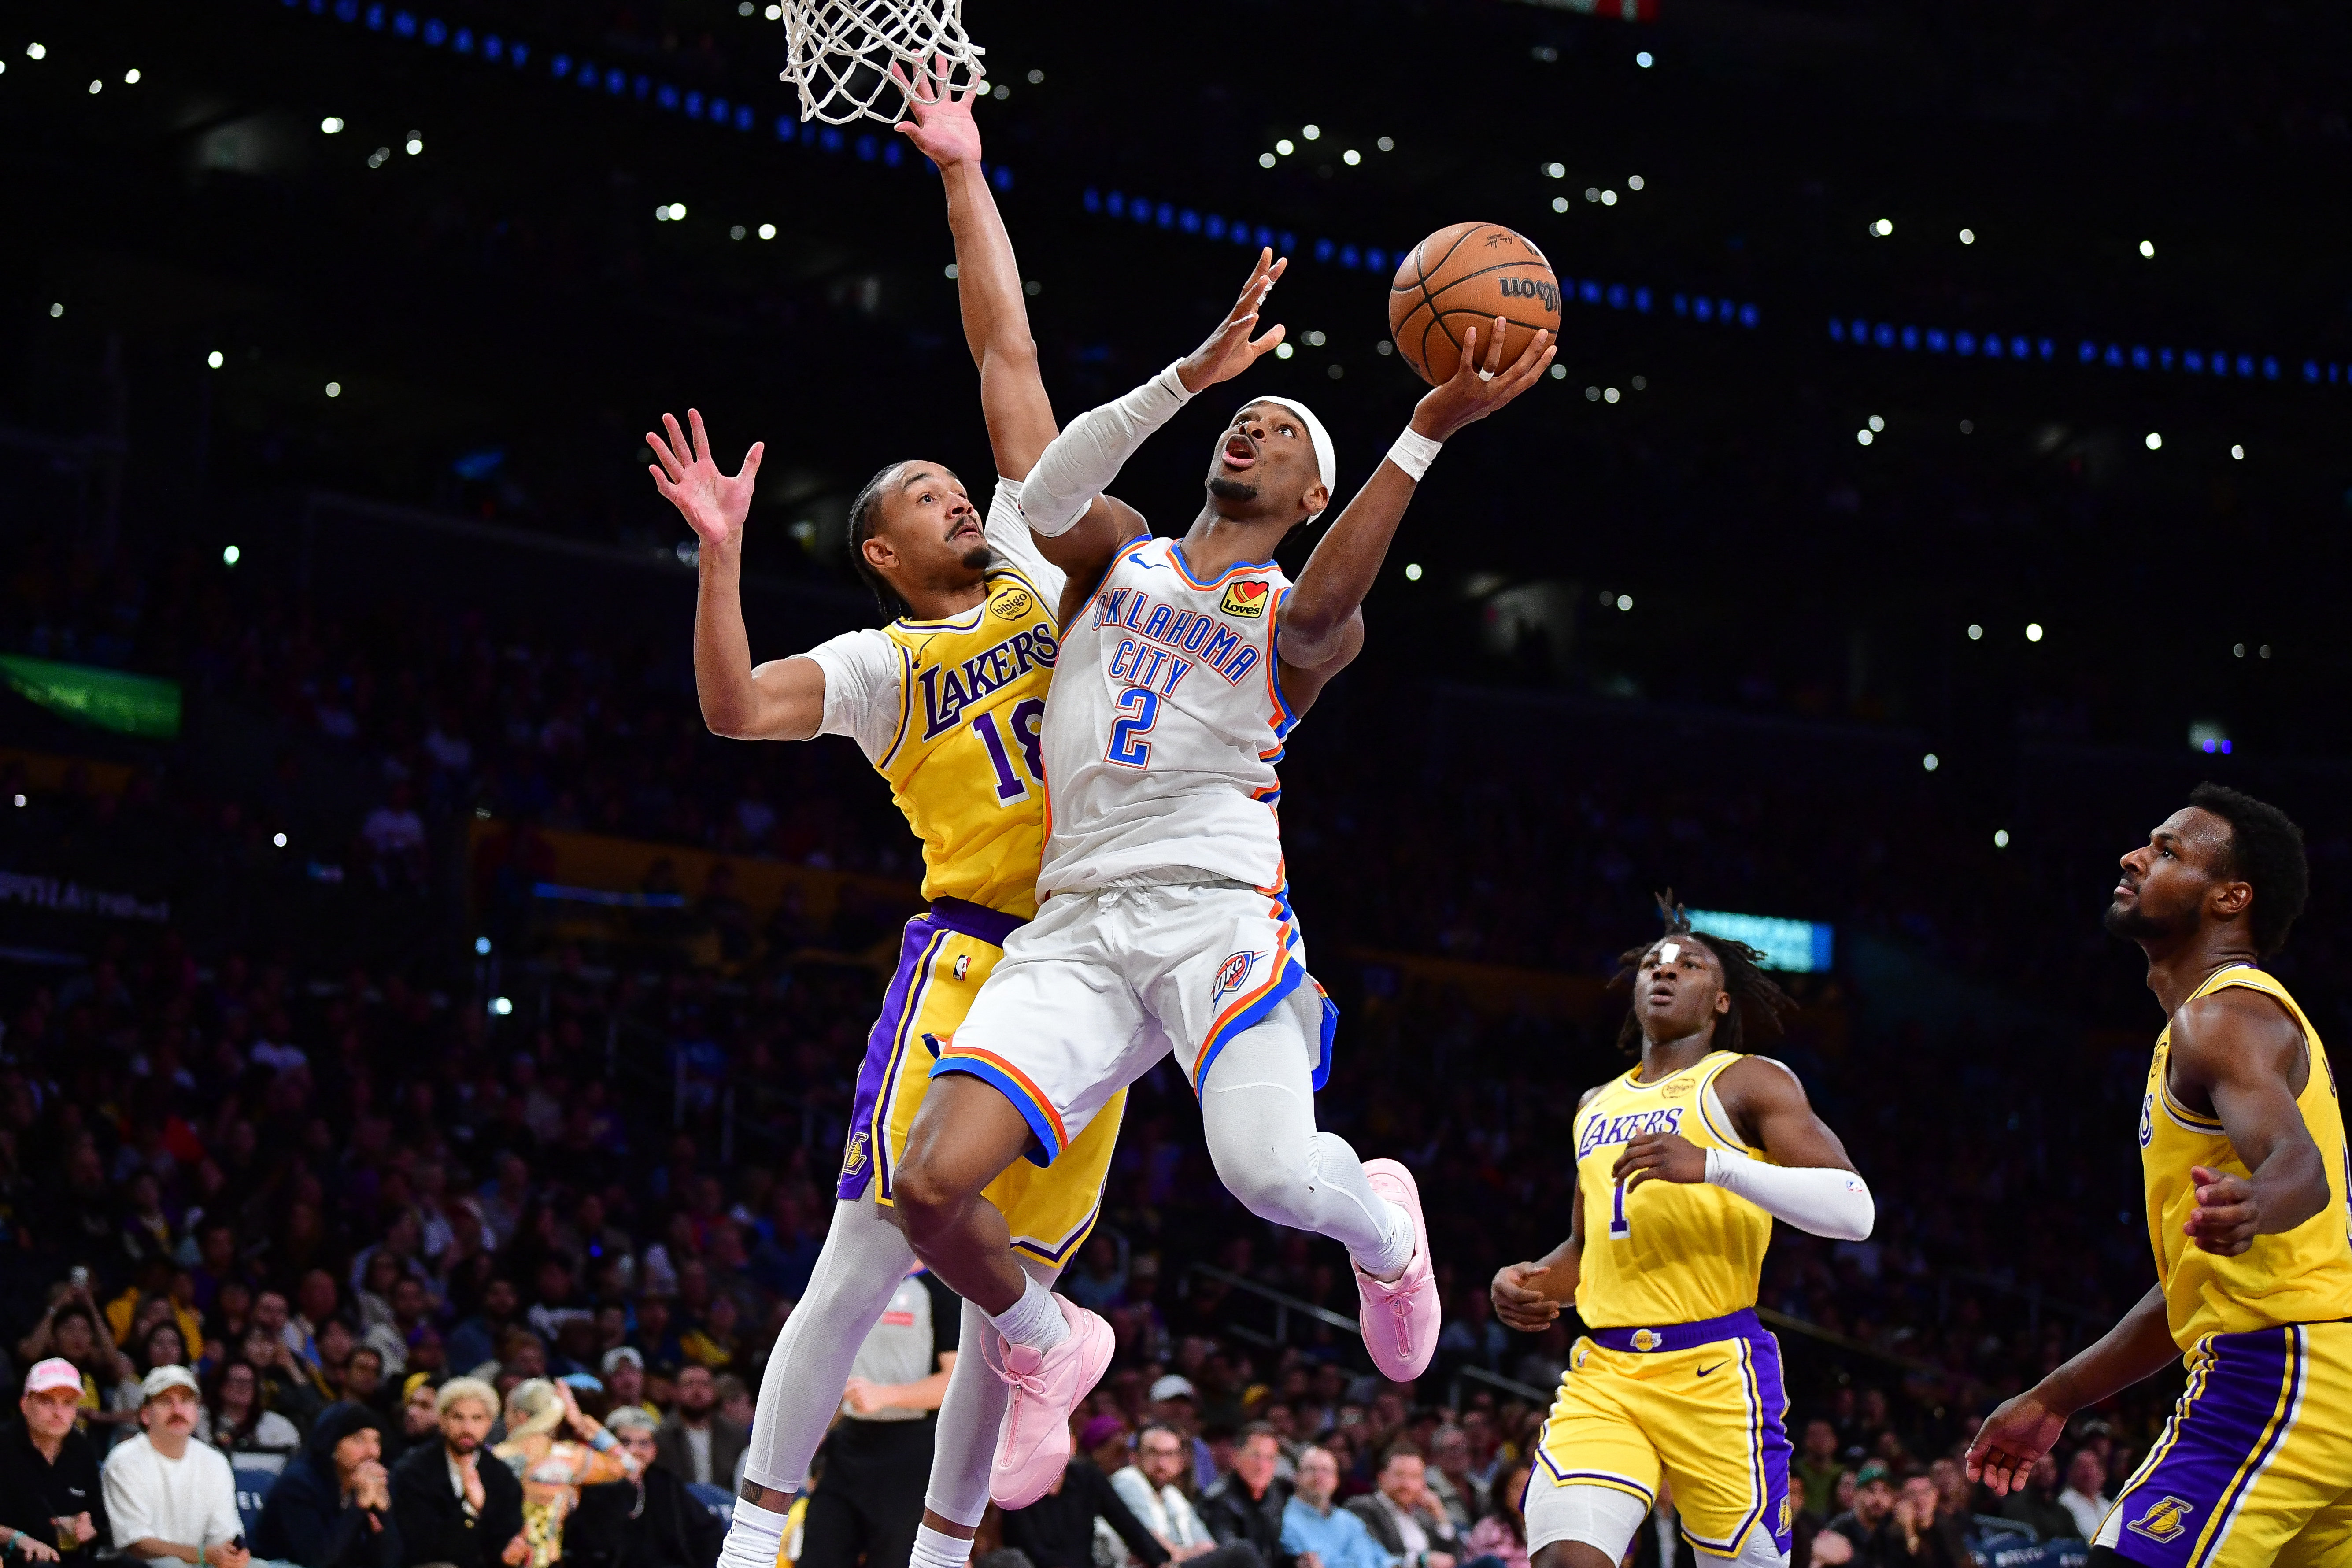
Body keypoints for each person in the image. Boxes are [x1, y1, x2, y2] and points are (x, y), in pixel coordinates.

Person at [890, 207, 1556, 1508]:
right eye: (1246, 421)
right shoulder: (1115, 552)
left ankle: (1378, 1224)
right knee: (924, 1184)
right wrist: (1188, 378)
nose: (1254, 432)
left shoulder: (1301, 617)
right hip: (1076, 923)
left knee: (1259, 1172)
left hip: (1216, 918)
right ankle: (1047, 1339)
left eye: (1286, 436)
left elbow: (1321, 613)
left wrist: (1423, 430)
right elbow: (1040, 491)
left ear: (1315, 495)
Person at [642, 65, 1131, 1568]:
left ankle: (941, 1557)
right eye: (925, 492)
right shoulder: (882, 663)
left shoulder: (1045, 571)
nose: (957, 494)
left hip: (1099, 970)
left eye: (954, 479)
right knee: (865, 1255)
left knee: (1014, 1316)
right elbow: (732, 709)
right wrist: (720, 555)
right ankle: (757, 1540)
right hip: (977, 959)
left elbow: (1006, 343)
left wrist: (962, 173)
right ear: (880, 546)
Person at [1967, 785, 2352, 1566]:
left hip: (2276, 1378)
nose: (2135, 857)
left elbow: (2299, 1168)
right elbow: (2190, 1288)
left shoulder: (2221, 1018)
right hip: (2316, 1379)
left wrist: (2258, 1201)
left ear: (2231, 898)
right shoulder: (2234, 1022)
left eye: (2169, 850)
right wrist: (2058, 1395)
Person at [1491, 903, 1876, 1568]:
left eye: (1688, 964)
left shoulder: (1748, 1080)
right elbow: (1588, 1252)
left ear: (1721, 1000)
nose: (1664, 973)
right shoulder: (1595, 1105)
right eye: (1652, 964)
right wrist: (1527, 1281)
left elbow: (1855, 1210)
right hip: (1606, 1373)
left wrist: (1714, 1165)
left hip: (1717, 1373)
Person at [796, 1265, 961, 1568]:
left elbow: (955, 1381)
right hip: (848, 1447)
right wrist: (814, 1436)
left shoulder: (943, 1286)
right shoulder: (856, 1279)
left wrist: (885, 1395)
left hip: (911, 1455)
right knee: (818, 1555)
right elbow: (837, 1367)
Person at [101, 1366, 248, 1568]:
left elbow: (225, 1534)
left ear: (197, 1412)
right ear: (145, 1415)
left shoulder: (215, 1461)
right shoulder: (124, 1460)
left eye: (186, 1401)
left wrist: (232, 1554)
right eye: (165, 1402)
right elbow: (137, 1545)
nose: (178, 1411)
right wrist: (203, 1555)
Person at [493, 1376, 641, 1568]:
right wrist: (580, 1422)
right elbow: (628, 1465)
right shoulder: (569, 1458)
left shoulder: (494, 1458)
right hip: (550, 1560)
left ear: (521, 1416)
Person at [389, 1376, 528, 1568]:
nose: (467, 1428)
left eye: (477, 1418)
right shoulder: (412, 1471)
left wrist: (509, 1556)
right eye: (458, 1417)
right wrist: (470, 1510)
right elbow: (419, 1545)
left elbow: (507, 1539)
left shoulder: (502, 1476)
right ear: (443, 1420)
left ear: (489, 1423)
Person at [564, 1406, 725, 1568]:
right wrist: (623, 1485)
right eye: (625, 1442)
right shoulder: (594, 1485)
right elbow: (588, 1544)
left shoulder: (666, 1484)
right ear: (608, 1445)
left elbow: (707, 1530)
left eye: (644, 1444)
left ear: (654, 1450)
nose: (635, 1451)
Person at [251, 1401, 402, 1567]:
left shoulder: (371, 1484)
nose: (372, 1452)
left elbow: (390, 1562)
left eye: (376, 1441)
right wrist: (359, 1506)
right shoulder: (298, 1484)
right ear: (332, 1445)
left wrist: (384, 1513)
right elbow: (317, 1559)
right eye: (359, 1440)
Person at [995, 1442, 1168, 1568]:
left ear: (1073, 1444)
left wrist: (1160, 1561)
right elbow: (1030, 1549)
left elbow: (1126, 1523)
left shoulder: (1087, 1477)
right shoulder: (1017, 1488)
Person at [0, 1359, 108, 1556]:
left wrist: (90, 1528)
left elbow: (100, 1521)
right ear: (25, 1405)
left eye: (68, 1403)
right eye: (47, 1401)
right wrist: (17, 1539)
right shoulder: (4, 1445)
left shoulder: (82, 1449)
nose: (58, 1413)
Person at [1112, 1423, 1238, 1566]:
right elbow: (1149, 1541)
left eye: (1170, 1454)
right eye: (1153, 1453)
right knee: (1241, 1553)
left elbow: (1209, 1548)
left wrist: (1181, 1554)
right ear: (1135, 1457)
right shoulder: (1127, 1480)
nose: (1162, 1463)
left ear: (1180, 1462)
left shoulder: (1173, 1495)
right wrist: (1183, 1554)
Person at [1348, 1446, 1463, 1568]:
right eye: (1399, 1475)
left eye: (1414, 1477)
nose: (1406, 1484)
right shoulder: (1363, 1507)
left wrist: (1441, 1517)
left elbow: (1454, 1557)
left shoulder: (1423, 1515)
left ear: (1423, 1483)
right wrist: (1421, 1560)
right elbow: (1376, 1556)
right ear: (1382, 1478)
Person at [1283, 1445, 1393, 1568]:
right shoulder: (1284, 1521)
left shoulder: (1350, 1521)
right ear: (1296, 1477)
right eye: (1311, 1469)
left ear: (1337, 1480)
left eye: (1326, 1471)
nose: (1319, 1477)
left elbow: (1384, 1560)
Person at [1199, 1425, 1293, 1568]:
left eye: (1270, 1458)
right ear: (1236, 1457)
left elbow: (1277, 1553)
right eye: (1256, 1456)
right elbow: (1233, 1556)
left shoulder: (1277, 1496)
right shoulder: (1217, 1500)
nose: (1262, 1466)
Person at [195, 1359, 302, 1473]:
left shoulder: (278, 1427)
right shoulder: (198, 1420)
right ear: (221, 1385)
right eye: (236, 1380)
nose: (243, 1387)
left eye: (249, 1382)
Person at [651, 1366, 744, 1492]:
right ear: (676, 1391)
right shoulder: (662, 1436)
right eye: (689, 1384)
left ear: (715, 1391)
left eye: (705, 1384)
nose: (698, 1391)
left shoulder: (734, 1435)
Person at [1463, 1461, 1532, 1568]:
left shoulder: (1545, 1526)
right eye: (1518, 1486)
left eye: (1530, 1486)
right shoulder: (1489, 1528)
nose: (1525, 1492)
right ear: (1503, 1492)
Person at [2053, 1449, 2109, 1542]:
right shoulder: (2064, 1503)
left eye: (2091, 1467)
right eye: (2082, 1467)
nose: (2087, 1473)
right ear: (2071, 1472)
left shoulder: (2107, 1505)